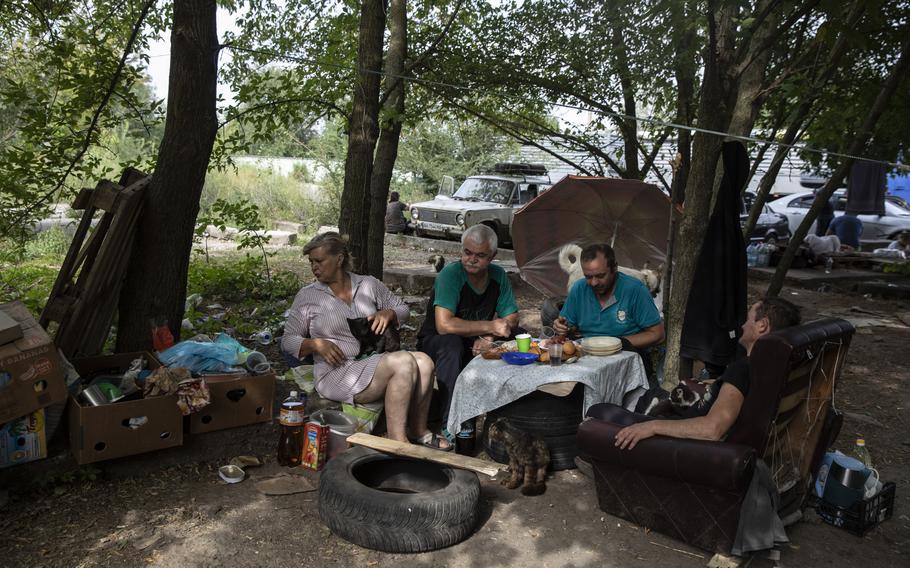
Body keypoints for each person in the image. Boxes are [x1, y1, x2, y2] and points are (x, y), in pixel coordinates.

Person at [281, 232, 451, 450]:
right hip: (336, 372)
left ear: (339, 259)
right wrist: (316, 344)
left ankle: (418, 431)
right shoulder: (308, 296)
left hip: (371, 361)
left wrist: (389, 313)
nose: (314, 267)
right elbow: (288, 340)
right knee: (403, 361)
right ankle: (397, 441)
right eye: (311, 262)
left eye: (319, 261)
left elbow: (403, 309)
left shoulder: (368, 284)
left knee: (424, 361)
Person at [613, 296, 801, 450]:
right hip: (696, 412)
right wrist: (719, 384)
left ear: (762, 325)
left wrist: (652, 426)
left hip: (687, 441)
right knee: (653, 394)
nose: (742, 326)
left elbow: (713, 428)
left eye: (748, 319)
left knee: (601, 411)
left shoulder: (744, 368)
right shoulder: (773, 367)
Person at [417, 224, 520, 436]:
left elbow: (511, 317)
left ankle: (507, 417)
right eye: (467, 252)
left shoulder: (498, 276)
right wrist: (490, 326)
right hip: (436, 341)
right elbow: (444, 325)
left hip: (476, 338)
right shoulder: (450, 275)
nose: (471, 259)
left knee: (520, 336)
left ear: (492, 256)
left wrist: (490, 337)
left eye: (480, 255)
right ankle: (451, 422)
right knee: (452, 345)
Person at [553, 243, 664, 351]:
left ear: (614, 268)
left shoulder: (635, 290)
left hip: (627, 354)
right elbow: (568, 326)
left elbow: (658, 335)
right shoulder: (579, 288)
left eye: (600, 276)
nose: (594, 283)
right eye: (588, 277)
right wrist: (563, 329)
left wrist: (617, 343)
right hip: (587, 354)